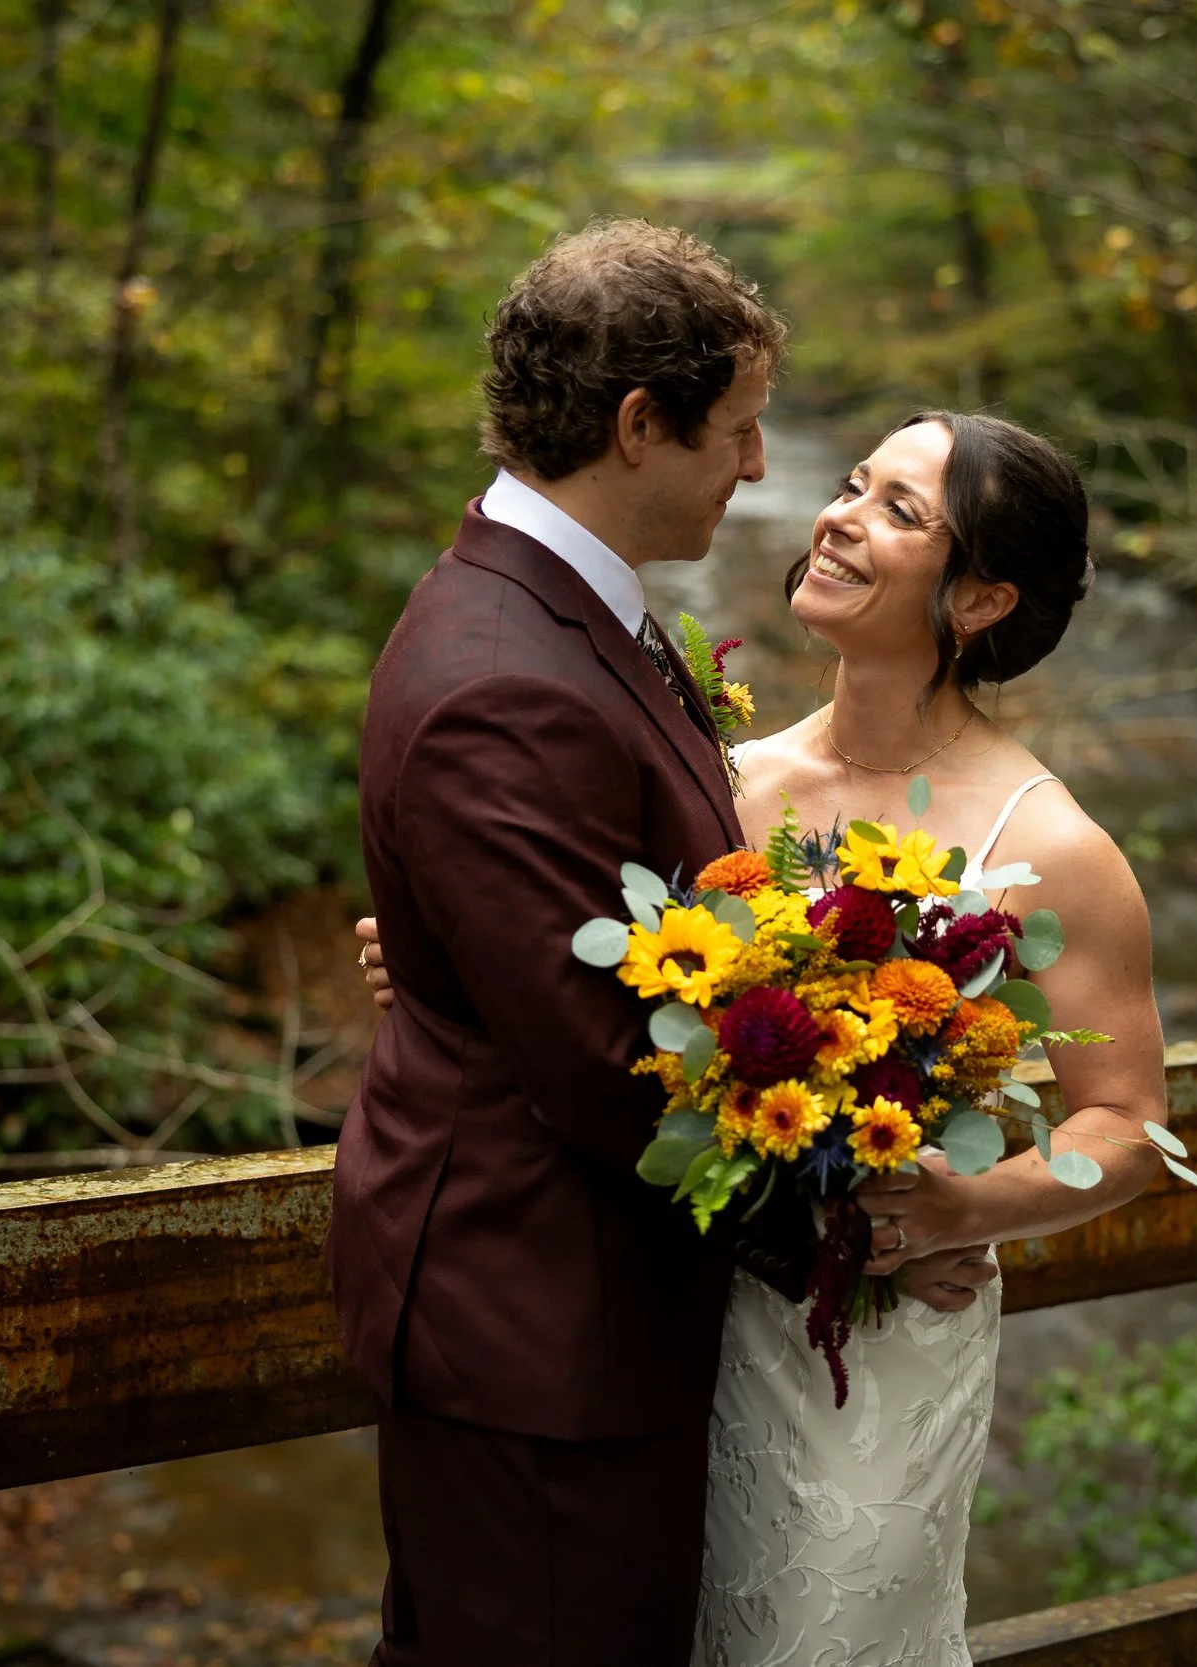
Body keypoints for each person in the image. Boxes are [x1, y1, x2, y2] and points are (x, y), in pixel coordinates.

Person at [358, 406, 1169, 1663]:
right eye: (853, 483)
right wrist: (427, 959)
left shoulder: (1050, 846)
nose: (837, 514)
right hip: (687, 1309)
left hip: (882, 1341)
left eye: (900, 510)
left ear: (980, 598)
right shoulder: (726, 778)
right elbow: (592, 999)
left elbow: (1126, 1132)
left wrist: (966, 1208)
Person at [326, 218, 783, 1666]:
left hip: (569, 1313)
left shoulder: (571, 611)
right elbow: (602, 1065)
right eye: (740, 431)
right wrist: (854, 1197)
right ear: (641, 425)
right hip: (537, 1325)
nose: (759, 469)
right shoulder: (502, 680)